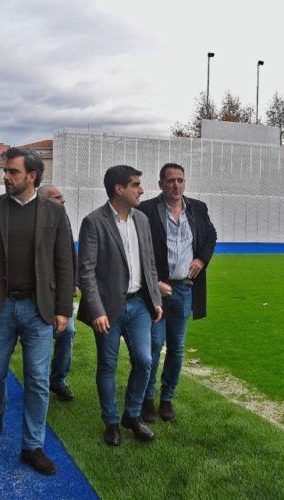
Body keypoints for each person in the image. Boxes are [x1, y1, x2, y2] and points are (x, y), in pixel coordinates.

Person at [0, 147, 74, 475]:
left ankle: (32, 446)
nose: (6, 177)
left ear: (32, 176)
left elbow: (64, 262)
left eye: (13, 172)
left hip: (40, 309)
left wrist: (63, 308)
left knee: (38, 380)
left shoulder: (54, 213)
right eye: (6, 171)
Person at [77, 165, 162, 446]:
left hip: (138, 305)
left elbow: (149, 263)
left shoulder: (142, 220)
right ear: (119, 189)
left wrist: (155, 299)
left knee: (145, 361)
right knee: (108, 366)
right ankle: (111, 422)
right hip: (109, 309)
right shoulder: (94, 222)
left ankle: (132, 415)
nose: (142, 190)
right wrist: (97, 310)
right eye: (136, 184)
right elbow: (86, 271)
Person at [138, 163, 217, 423]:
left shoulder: (197, 208)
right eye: (170, 180)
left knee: (177, 347)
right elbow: (138, 247)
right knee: (152, 345)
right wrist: (153, 281)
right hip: (157, 288)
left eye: (180, 180)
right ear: (160, 184)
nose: (176, 185)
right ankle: (147, 398)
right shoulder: (146, 210)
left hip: (184, 287)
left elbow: (211, 236)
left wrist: (201, 260)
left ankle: (167, 398)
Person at [38, 185, 76, 401]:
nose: (63, 201)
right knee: (38, 338)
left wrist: (72, 284)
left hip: (60, 291)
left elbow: (70, 253)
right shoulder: (33, 220)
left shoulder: (64, 219)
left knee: (67, 332)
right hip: (38, 293)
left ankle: (57, 380)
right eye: (58, 197)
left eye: (62, 197)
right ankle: (39, 381)